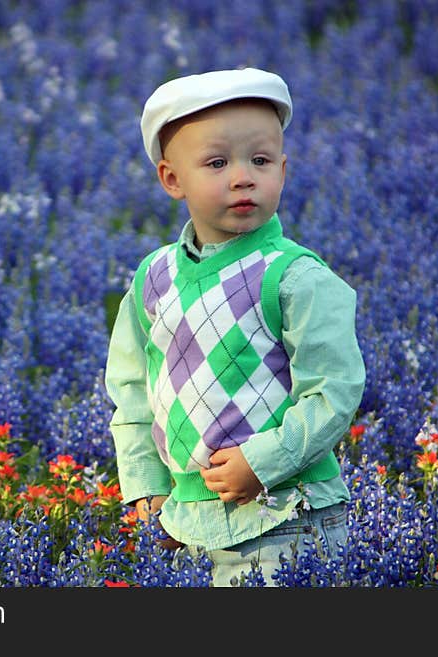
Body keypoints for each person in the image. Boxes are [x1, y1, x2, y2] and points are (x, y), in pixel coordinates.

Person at [104, 68, 366, 586]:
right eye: (217, 162)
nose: (243, 176)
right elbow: (133, 390)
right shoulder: (152, 280)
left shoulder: (296, 277)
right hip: (185, 521)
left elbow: (335, 391)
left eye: (261, 160)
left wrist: (262, 460)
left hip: (288, 516)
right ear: (172, 179)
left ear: (283, 171)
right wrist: (145, 481)